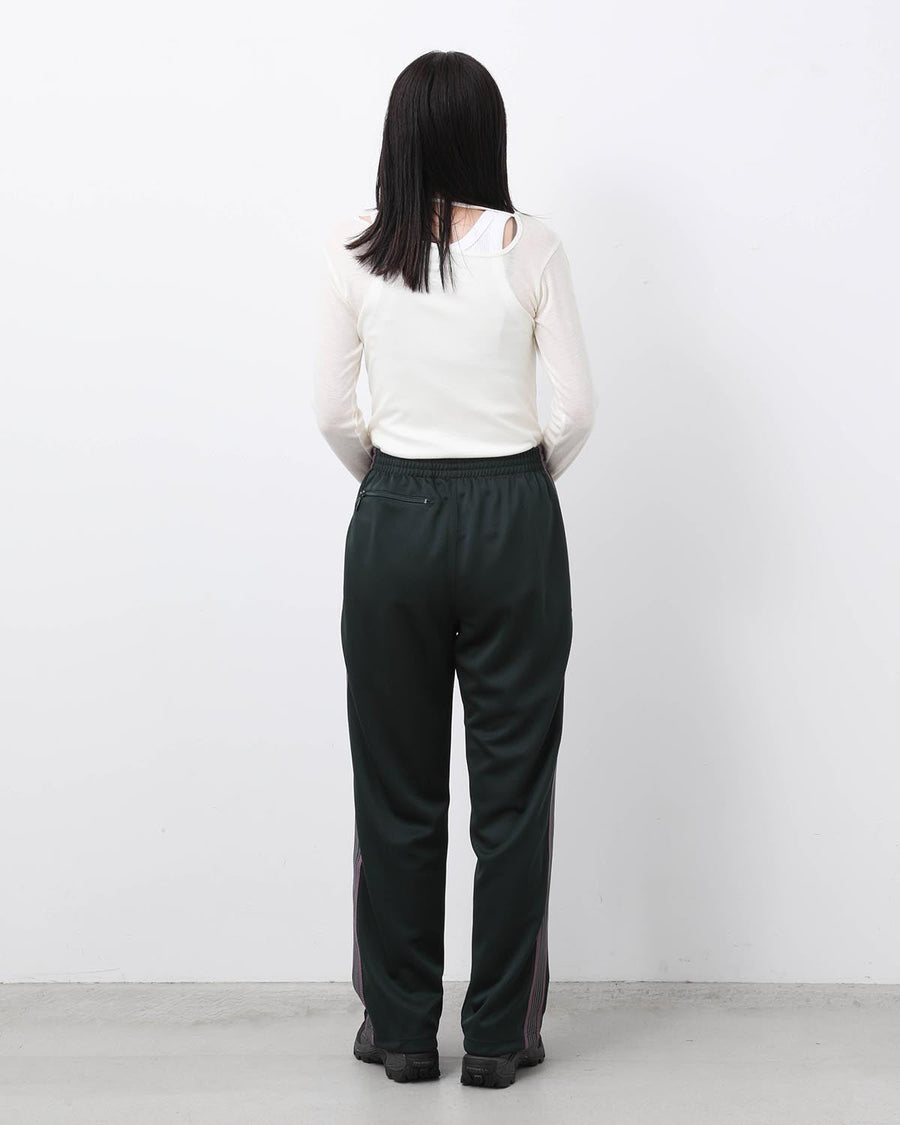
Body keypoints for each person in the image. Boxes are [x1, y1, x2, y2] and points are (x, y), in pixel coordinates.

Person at [313, 50, 597, 1089]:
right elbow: (576, 409)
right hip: (513, 515)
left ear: (400, 137)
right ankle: (496, 1036)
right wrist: (518, 481)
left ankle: (399, 1029)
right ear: (487, 135)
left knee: (396, 789)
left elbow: (332, 413)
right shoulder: (532, 247)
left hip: (394, 517)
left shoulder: (356, 252)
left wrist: (395, 482)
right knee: (513, 794)